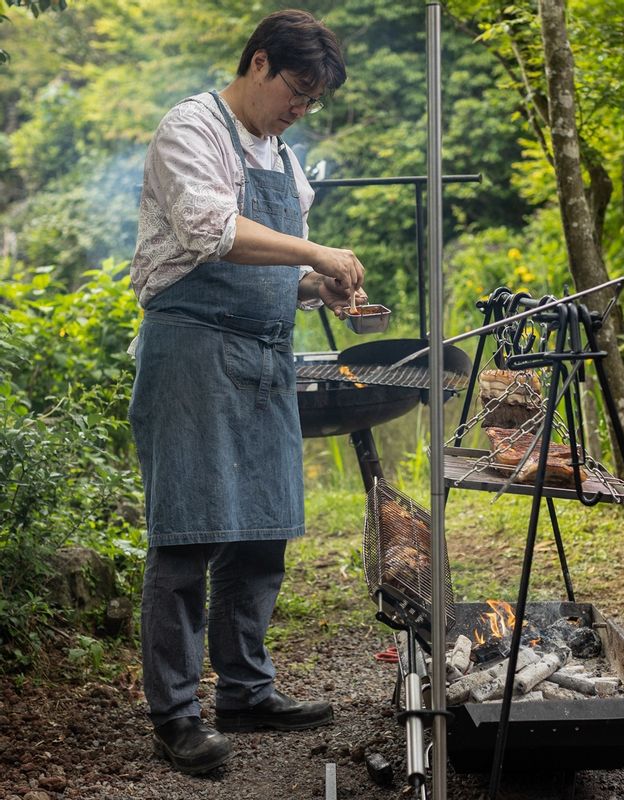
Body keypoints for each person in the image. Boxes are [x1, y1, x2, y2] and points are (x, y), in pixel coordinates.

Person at [128, 9, 365, 775]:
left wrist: (312, 286)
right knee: (188, 532)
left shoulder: (282, 156)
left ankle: (246, 691)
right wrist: (317, 248)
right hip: (193, 347)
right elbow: (210, 230)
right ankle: (175, 715)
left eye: (314, 99)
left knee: (260, 532)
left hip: (263, 355)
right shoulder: (190, 128)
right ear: (258, 63)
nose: (302, 108)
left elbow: (269, 269)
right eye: (297, 89)